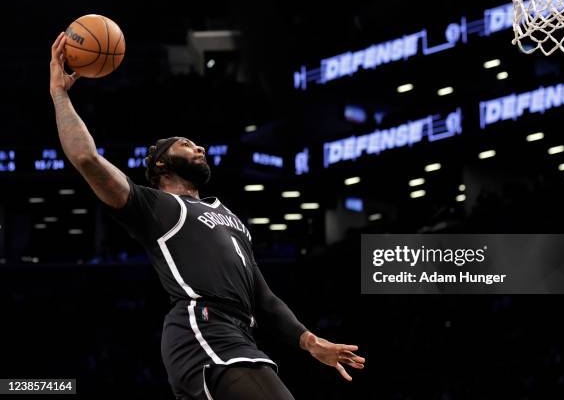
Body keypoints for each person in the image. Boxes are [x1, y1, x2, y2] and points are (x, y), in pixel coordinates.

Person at [49, 32, 365, 399]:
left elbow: (264, 298)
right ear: (162, 162)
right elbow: (87, 158)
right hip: (203, 329)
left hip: (237, 333)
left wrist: (310, 342)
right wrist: (60, 93)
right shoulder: (156, 206)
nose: (199, 146)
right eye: (186, 144)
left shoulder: (231, 219)